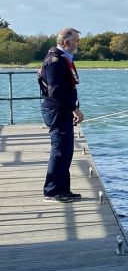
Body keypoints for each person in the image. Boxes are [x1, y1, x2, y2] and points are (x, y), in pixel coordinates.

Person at [38, 27, 85, 202]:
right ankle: (51, 191)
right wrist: (74, 108)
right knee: (59, 150)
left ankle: (63, 189)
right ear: (67, 42)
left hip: (62, 110)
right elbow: (55, 90)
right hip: (57, 110)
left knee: (66, 150)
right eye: (76, 41)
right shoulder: (55, 60)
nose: (78, 45)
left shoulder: (61, 58)